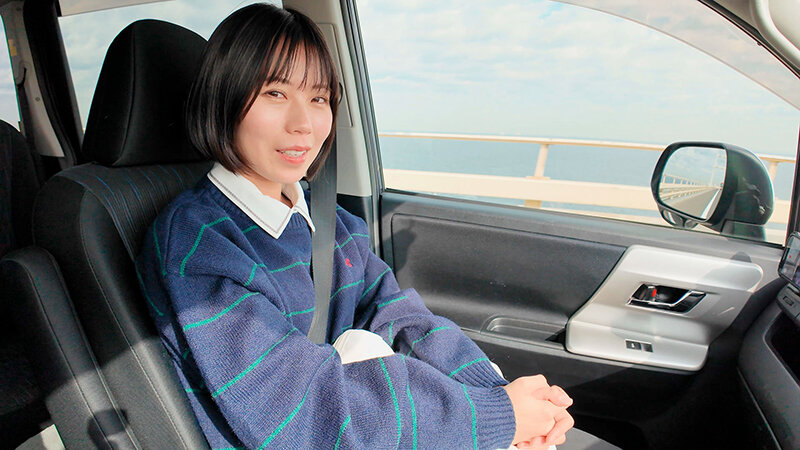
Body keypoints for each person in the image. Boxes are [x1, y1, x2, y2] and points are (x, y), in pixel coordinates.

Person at [135, 4, 574, 449]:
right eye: (275, 93)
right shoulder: (198, 245)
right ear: (223, 100)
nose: (303, 125)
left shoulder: (333, 223)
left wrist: (497, 394)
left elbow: (399, 317)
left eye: (318, 98)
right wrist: (494, 417)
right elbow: (305, 414)